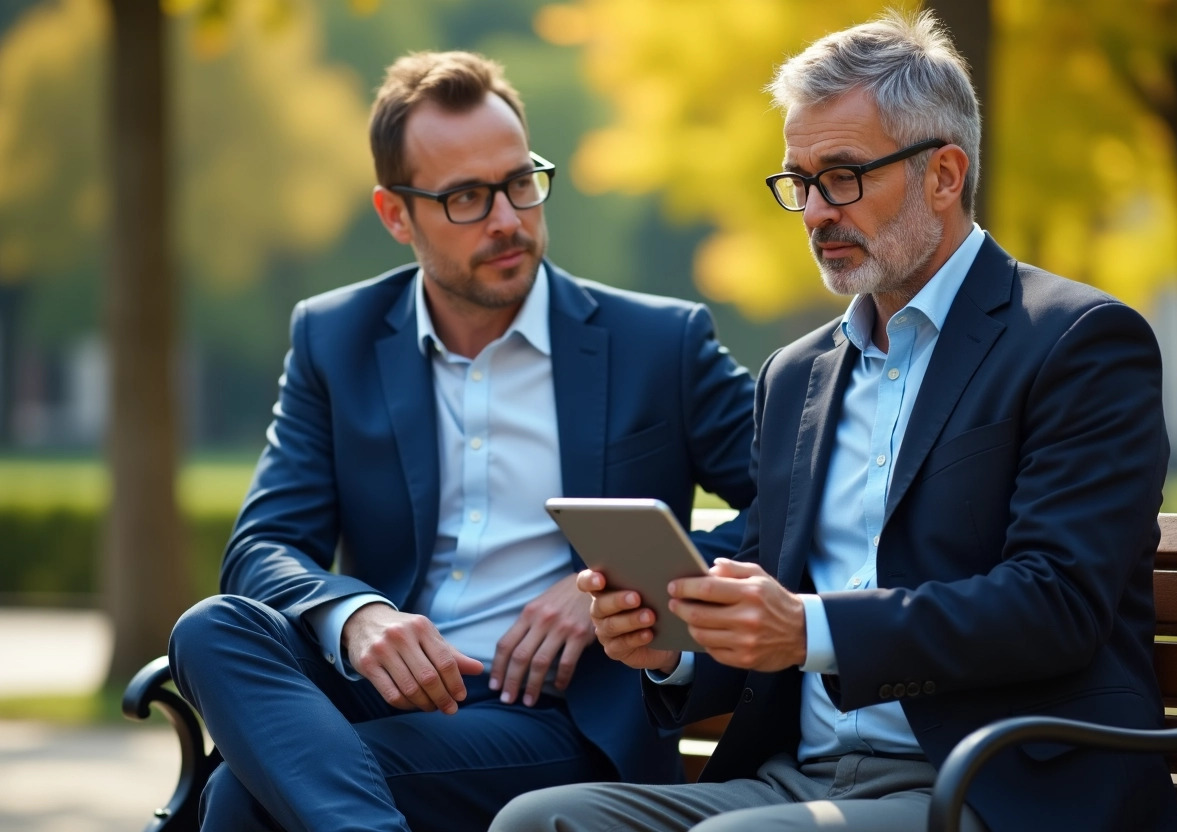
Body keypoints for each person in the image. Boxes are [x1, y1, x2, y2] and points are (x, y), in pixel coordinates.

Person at [490, 10, 1177, 832]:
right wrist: (672, 648)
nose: (815, 211)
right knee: (538, 822)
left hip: (995, 779)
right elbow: (760, 582)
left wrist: (811, 630)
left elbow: (1056, 602)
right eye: (799, 181)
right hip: (799, 776)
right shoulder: (796, 374)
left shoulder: (1077, 342)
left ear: (945, 174)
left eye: (844, 176)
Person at [167, 50, 757, 832]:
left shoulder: (660, 343)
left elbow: (795, 498)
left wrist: (624, 587)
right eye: (468, 198)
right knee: (209, 628)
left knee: (244, 797)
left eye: (519, 182)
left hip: (555, 715)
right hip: (384, 688)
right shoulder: (333, 337)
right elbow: (264, 545)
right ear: (395, 215)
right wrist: (357, 617)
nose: (508, 219)